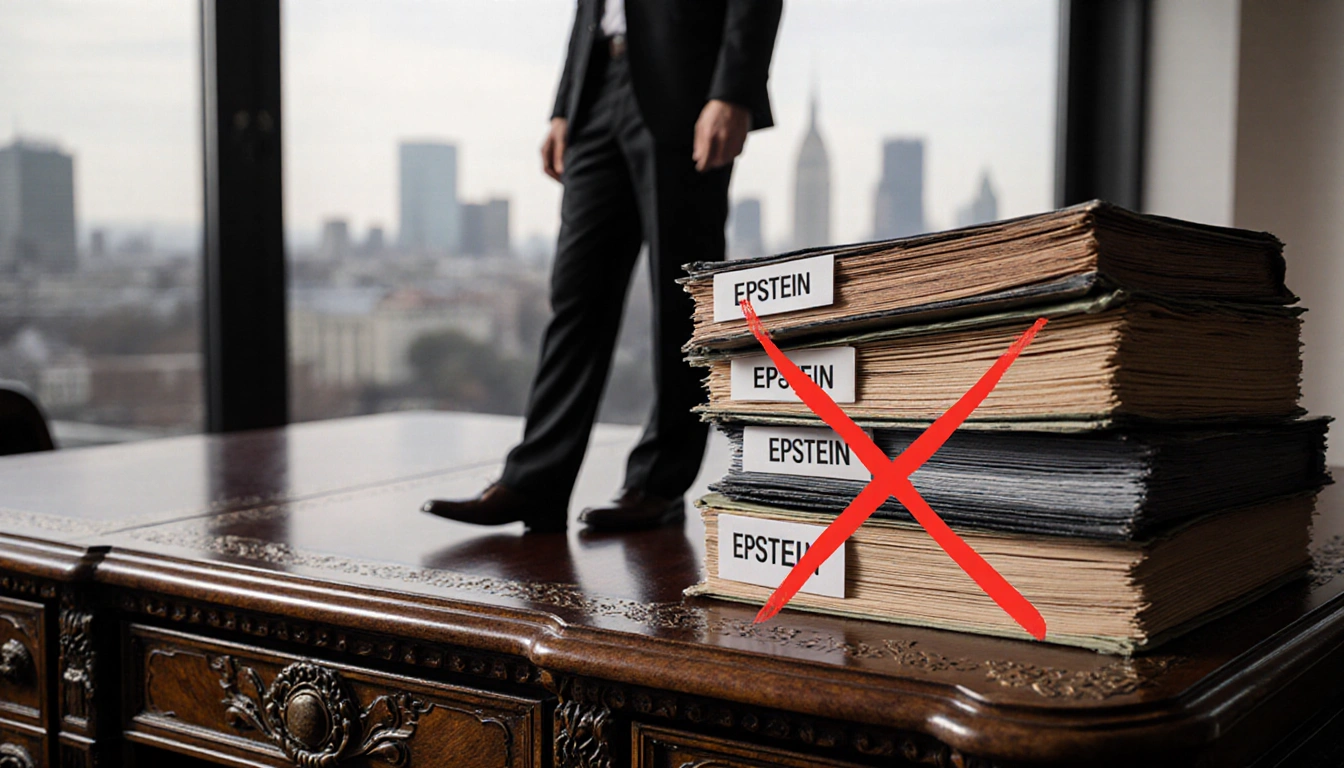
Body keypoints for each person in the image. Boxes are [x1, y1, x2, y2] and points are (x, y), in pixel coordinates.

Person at [422, 0, 783, 533]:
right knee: (574, 295)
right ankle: (534, 481)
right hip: (597, 87)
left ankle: (657, 484)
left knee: (679, 297)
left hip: (685, 84)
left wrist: (732, 90)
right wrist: (564, 107)